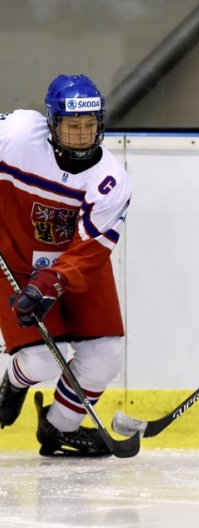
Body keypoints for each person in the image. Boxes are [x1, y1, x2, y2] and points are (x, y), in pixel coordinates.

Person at [0, 74, 132, 457]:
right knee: (40, 359)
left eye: (89, 126)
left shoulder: (112, 180)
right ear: (52, 123)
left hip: (77, 267)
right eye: (72, 127)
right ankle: (17, 380)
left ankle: (59, 428)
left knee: (106, 355)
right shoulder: (18, 135)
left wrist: (51, 282)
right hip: (16, 260)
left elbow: (90, 251)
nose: (81, 135)